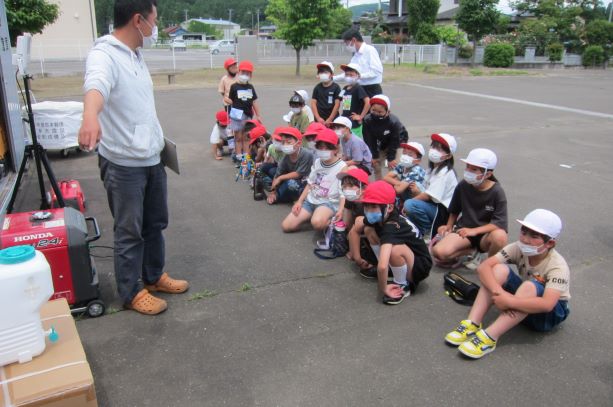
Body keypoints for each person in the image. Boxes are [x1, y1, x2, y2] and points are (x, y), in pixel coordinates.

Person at [78, 0, 188, 315]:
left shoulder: (136, 55)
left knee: (155, 223)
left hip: (151, 158)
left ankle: (153, 276)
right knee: (129, 230)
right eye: (154, 20)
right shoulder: (105, 55)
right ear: (138, 20)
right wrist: (90, 116)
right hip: (124, 164)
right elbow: (95, 86)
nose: (155, 27)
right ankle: (130, 292)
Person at [444, 209, 570, 359]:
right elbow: (484, 267)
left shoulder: (558, 266)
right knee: (497, 269)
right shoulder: (518, 247)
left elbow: (547, 304)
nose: (525, 239)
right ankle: (472, 322)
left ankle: (489, 338)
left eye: (534, 236)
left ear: (550, 243)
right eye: (524, 232)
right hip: (523, 303)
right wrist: (500, 294)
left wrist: (509, 301)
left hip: (547, 315)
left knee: (530, 286)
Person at [349, 181, 432, 305]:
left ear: (390, 207)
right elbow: (354, 229)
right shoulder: (381, 215)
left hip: (418, 266)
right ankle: (390, 272)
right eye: (366, 206)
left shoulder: (392, 226)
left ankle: (402, 283)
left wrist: (383, 288)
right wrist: (357, 258)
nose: (368, 211)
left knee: (394, 249)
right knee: (368, 229)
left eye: (373, 207)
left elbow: (382, 266)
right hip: (408, 256)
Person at [431, 148, 508, 266]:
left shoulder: (497, 191)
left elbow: (499, 223)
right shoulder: (463, 185)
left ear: (488, 174)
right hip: (463, 231)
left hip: (485, 236)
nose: (468, 171)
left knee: (500, 236)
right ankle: (472, 252)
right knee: (439, 252)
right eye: (468, 167)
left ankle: (489, 264)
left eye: (474, 169)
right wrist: (449, 226)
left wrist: (474, 231)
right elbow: (454, 209)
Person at [281, 128, 347, 233]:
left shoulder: (342, 166)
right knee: (286, 226)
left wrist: (341, 210)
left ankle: (330, 221)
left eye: (327, 148)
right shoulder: (317, 162)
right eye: (320, 148)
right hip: (311, 200)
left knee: (317, 223)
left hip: (328, 202)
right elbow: (310, 183)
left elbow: (343, 191)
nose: (322, 151)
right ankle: (314, 215)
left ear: (336, 149)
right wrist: (299, 201)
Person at [403, 133, 459, 238]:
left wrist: (409, 203)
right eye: (433, 147)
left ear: (449, 155)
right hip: (432, 206)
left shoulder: (445, 172)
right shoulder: (431, 169)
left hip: (442, 211)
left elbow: (428, 196)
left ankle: (428, 231)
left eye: (439, 149)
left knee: (410, 205)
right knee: (406, 220)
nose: (434, 151)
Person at [362, 94, 407, 180]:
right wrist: (374, 156)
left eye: (380, 112)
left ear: (388, 112)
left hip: (398, 142)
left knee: (394, 166)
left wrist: (391, 158)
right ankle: (379, 185)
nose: (376, 114)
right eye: (373, 110)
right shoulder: (367, 120)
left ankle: (394, 187)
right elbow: (369, 139)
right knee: (375, 164)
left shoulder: (394, 122)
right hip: (382, 141)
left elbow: (394, 141)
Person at [267, 127, 314, 205]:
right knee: (272, 171)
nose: (285, 145)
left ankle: (281, 196)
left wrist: (280, 178)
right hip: (290, 179)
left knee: (291, 184)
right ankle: (280, 194)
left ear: (298, 143)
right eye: (283, 142)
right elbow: (277, 174)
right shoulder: (285, 157)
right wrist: (272, 192)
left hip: (305, 182)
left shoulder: (306, 154)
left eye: (288, 142)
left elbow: (298, 174)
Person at [228, 60, 262, 160]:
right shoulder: (234, 87)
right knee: (238, 137)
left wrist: (258, 115)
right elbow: (232, 100)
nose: (245, 75)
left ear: (251, 75)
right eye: (243, 73)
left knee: (247, 136)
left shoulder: (250, 87)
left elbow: (254, 101)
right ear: (238, 72)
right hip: (236, 115)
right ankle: (238, 155)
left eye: (248, 73)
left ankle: (246, 156)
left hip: (248, 115)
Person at [337, 28, 384, 98]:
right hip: (358, 88)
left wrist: (360, 76)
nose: (347, 46)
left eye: (347, 43)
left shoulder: (370, 50)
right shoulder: (355, 55)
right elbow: (349, 73)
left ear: (353, 40)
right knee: (354, 108)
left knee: (371, 108)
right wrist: (333, 78)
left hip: (371, 89)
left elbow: (377, 71)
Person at [337, 63, 370, 137]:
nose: (348, 77)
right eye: (346, 75)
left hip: (354, 122)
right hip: (345, 119)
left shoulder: (358, 88)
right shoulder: (345, 88)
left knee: (354, 141)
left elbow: (368, 102)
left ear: (358, 76)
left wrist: (361, 116)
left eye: (351, 75)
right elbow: (338, 100)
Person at [311, 61, 341, 126]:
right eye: (321, 72)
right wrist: (318, 118)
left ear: (332, 74)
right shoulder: (317, 87)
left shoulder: (336, 87)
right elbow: (313, 103)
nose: (323, 74)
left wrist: (330, 119)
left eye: (325, 72)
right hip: (319, 120)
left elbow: (337, 104)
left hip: (332, 120)